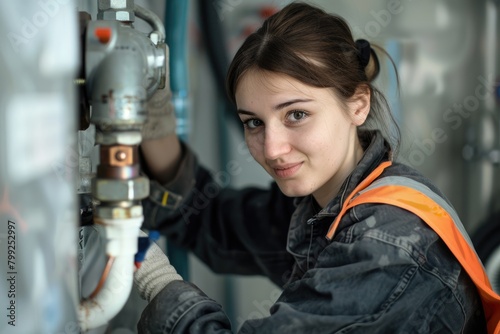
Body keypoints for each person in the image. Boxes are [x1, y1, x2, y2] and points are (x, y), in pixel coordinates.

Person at [135, 2, 491, 333]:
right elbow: (209, 221)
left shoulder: (387, 245)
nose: (272, 149)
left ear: (358, 105)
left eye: (297, 115)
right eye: (254, 123)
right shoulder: (322, 205)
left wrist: (158, 282)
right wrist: (153, 125)